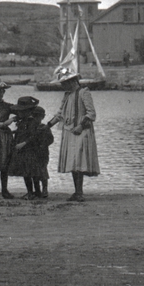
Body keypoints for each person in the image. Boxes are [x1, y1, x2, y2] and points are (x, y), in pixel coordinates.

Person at [47, 64, 99, 202]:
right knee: (73, 162)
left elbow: (91, 113)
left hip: (81, 131)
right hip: (69, 131)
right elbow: (60, 114)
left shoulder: (84, 92)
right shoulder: (67, 95)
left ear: (72, 81)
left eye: (65, 83)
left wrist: (81, 126)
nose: (63, 86)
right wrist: (48, 125)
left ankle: (79, 192)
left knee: (78, 161)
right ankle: (77, 192)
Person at [7, 97, 54, 199]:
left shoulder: (32, 122)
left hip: (30, 150)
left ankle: (34, 192)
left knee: (31, 172)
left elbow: (34, 136)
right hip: (24, 150)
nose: (19, 113)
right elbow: (22, 133)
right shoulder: (23, 121)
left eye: (21, 111)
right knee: (28, 172)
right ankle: (33, 192)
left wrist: (23, 143)